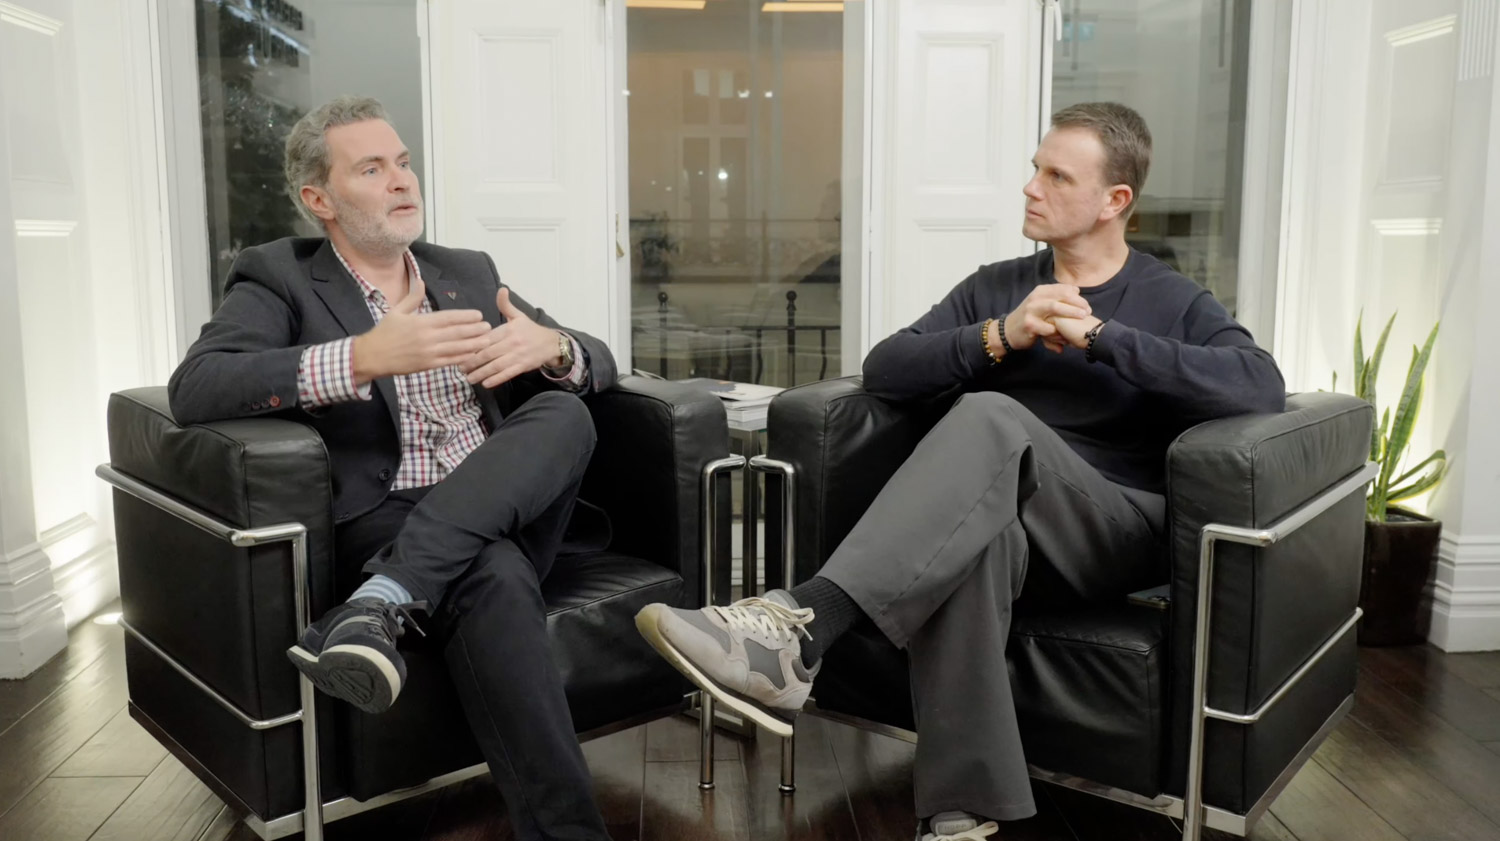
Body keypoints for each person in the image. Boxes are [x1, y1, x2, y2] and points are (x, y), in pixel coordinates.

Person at [634, 102, 1285, 841]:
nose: (1030, 187)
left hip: (1110, 531)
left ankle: (805, 624)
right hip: (1010, 523)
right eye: (1034, 167)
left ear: (1115, 201)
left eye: (1055, 174)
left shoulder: (1168, 298)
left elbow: (1257, 384)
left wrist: (1102, 337)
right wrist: (1002, 335)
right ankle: (960, 814)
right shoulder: (999, 286)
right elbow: (888, 365)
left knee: (986, 417)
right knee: (975, 549)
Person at [168, 95, 617, 841]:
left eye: (403, 163)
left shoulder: (468, 271)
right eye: (372, 169)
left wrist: (557, 349)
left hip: (503, 505)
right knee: (495, 574)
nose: (402, 181)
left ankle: (382, 599)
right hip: (388, 514)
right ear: (321, 198)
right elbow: (197, 387)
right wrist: (361, 355)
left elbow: (596, 357)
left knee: (565, 412)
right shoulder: (279, 277)